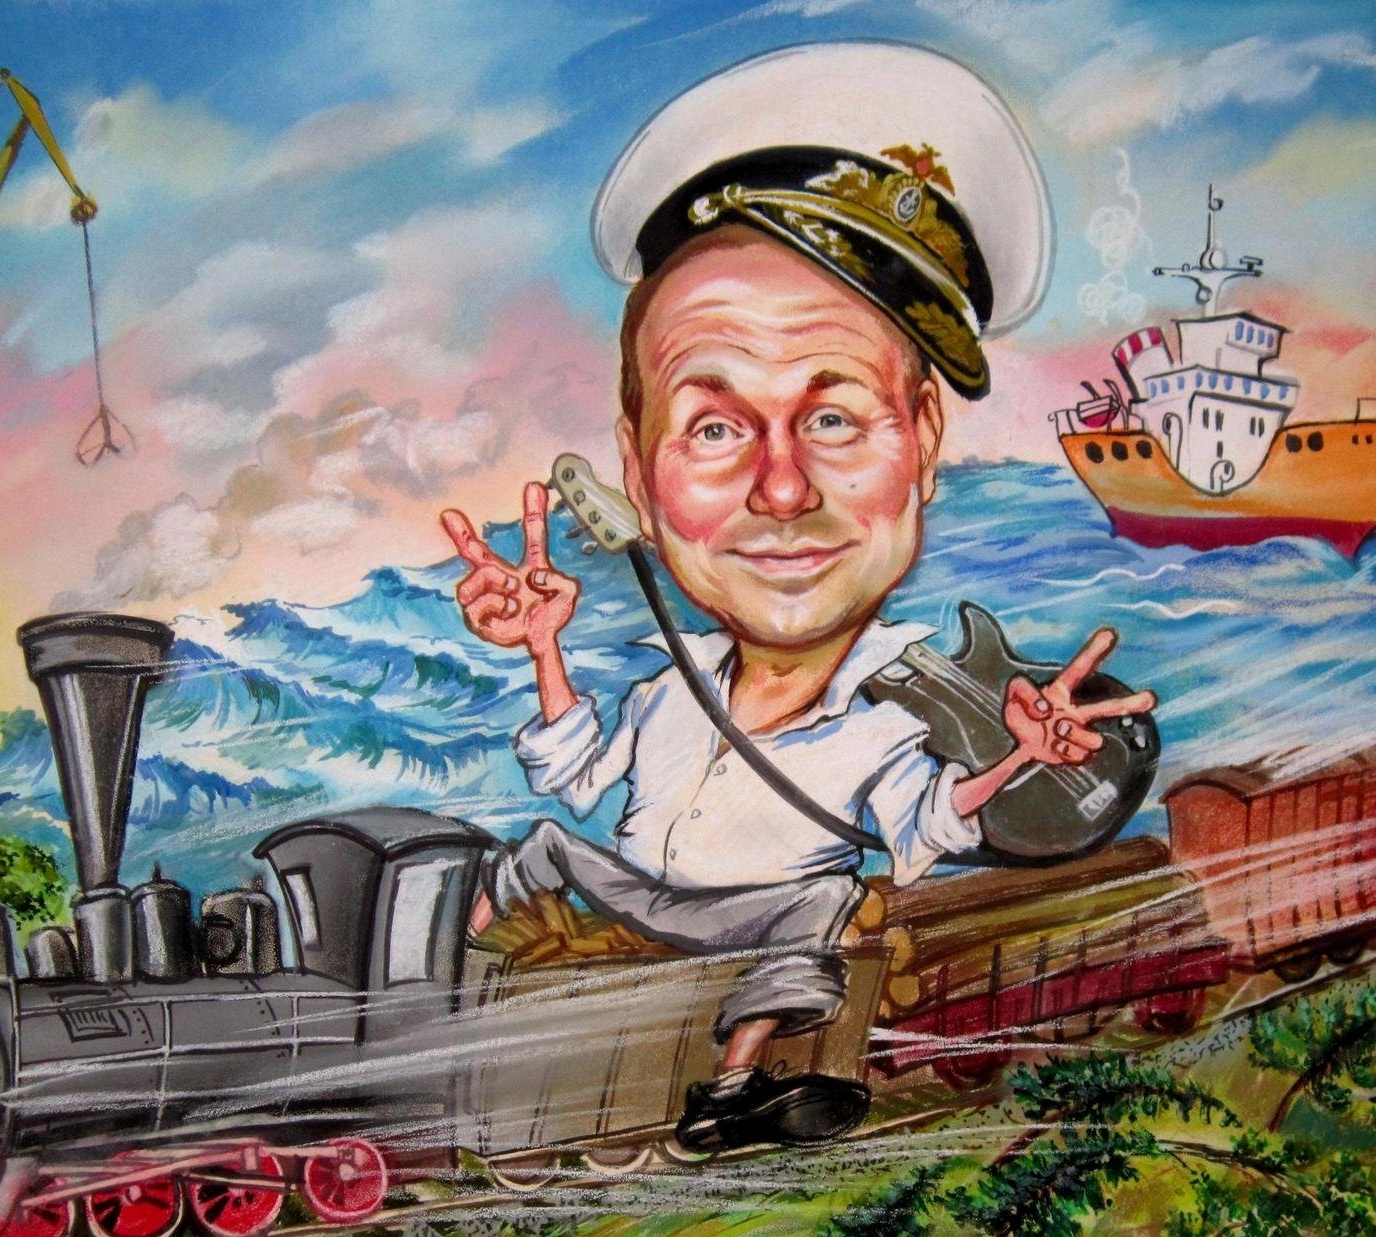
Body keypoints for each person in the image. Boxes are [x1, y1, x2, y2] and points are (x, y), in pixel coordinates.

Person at [437, 42, 1156, 1152]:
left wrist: (1020, 759)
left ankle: (737, 1084)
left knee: (815, 907)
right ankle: (434, 1005)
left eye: (832, 417)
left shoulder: (896, 722)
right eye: (714, 426)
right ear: (637, 469)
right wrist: (544, 648)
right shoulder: (664, 690)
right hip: (638, 897)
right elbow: (573, 777)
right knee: (532, 846)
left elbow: (938, 824)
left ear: (922, 444)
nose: (781, 490)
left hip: (751, 921)